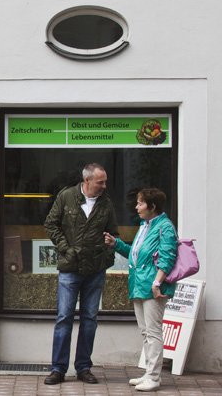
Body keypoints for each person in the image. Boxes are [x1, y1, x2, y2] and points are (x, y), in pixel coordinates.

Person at [43, 163, 119, 385]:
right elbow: (50, 224)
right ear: (87, 180)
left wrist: (106, 254)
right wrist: (65, 248)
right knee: (64, 318)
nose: (104, 186)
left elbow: (113, 233)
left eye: (105, 182)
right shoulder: (67, 197)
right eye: (100, 182)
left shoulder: (106, 203)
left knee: (89, 320)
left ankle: (84, 368)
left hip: (95, 270)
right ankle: (58, 369)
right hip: (70, 269)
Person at [104, 188, 177, 392]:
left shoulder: (165, 227)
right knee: (146, 332)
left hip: (152, 287)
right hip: (140, 284)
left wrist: (157, 283)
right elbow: (136, 255)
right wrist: (116, 244)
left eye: (140, 203)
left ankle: (154, 377)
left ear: (152, 206)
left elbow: (168, 257)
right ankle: (149, 373)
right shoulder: (145, 226)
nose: (136, 207)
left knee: (153, 333)